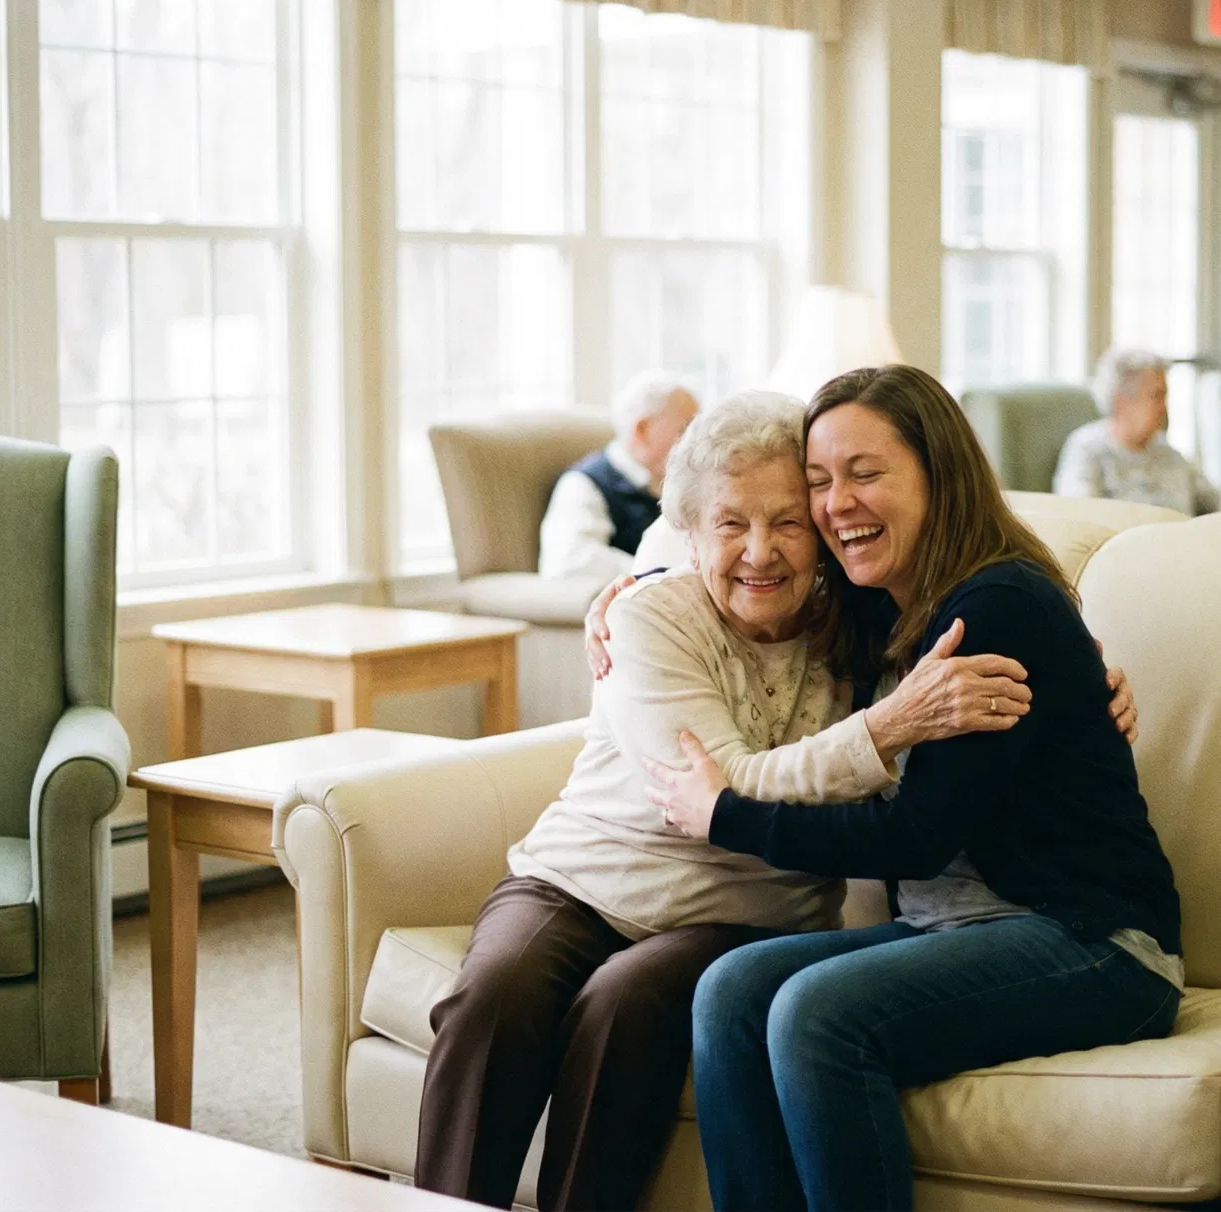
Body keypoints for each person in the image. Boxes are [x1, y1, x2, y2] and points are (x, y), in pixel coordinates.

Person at [416, 391, 1134, 1211]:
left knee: (626, 1006)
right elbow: (720, 783)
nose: (760, 551)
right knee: (494, 997)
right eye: (732, 525)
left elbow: (995, 628)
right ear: (693, 533)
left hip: (741, 909)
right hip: (579, 881)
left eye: (789, 522)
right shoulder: (652, 614)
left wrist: (1085, 681)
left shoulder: (863, 619)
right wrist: (886, 726)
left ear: (820, 530)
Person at [644, 365, 1182, 1212]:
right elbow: (721, 558)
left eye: (865, 473)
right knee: (732, 993)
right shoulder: (874, 602)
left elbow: (916, 838)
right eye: (820, 482)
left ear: (938, 473)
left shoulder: (998, 605)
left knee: (816, 1014)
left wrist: (728, 815)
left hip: (1095, 942)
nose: (837, 504)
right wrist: (630, 598)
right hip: (952, 930)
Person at [538, 371, 700, 584]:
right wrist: (660, 570)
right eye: (684, 430)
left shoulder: (682, 482)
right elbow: (568, 561)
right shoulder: (583, 484)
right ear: (642, 430)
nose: (693, 443)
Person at [1053, 348, 1221, 514]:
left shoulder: (1167, 452)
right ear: (1121, 402)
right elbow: (1079, 514)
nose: (1164, 407)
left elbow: (1218, 501)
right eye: (1156, 396)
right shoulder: (1087, 449)